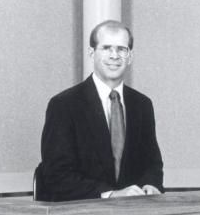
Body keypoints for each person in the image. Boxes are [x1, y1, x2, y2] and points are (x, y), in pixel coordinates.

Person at [38, 20, 164, 201]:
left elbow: (153, 163)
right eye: (106, 48)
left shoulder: (142, 104)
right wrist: (110, 194)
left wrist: (150, 184)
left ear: (130, 56)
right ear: (92, 53)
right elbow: (56, 174)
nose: (115, 56)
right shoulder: (64, 105)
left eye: (122, 49)